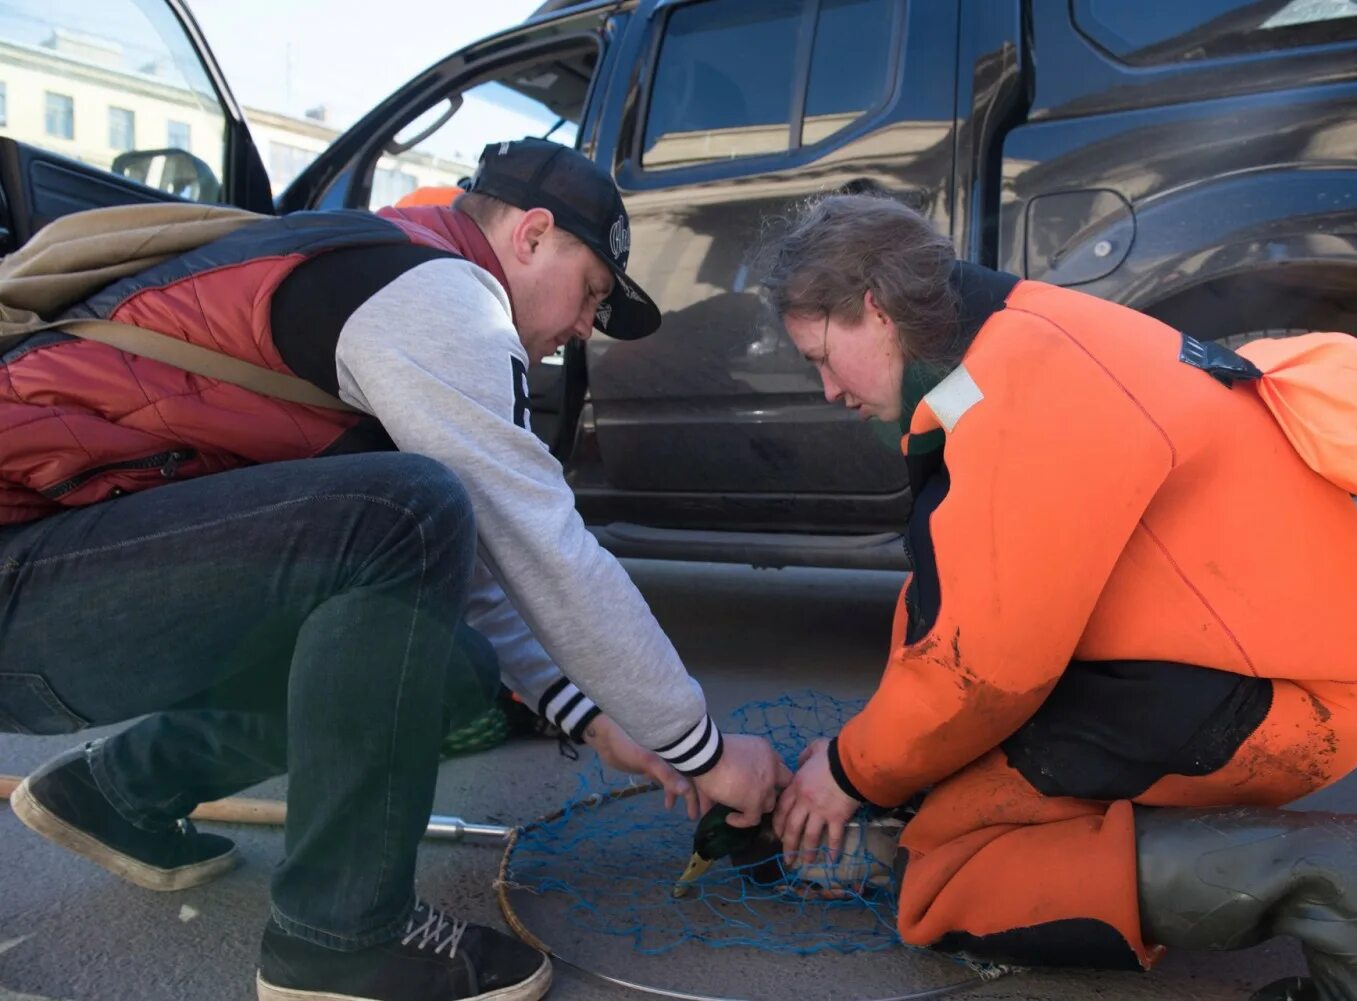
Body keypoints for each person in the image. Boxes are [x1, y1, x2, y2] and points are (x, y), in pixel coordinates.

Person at [0, 137, 787, 1001]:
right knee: (404, 508)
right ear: (529, 236)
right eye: (590, 292)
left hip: (68, 577)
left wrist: (593, 716)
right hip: (24, 586)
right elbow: (539, 541)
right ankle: (341, 939)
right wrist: (705, 751)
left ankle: (120, 789)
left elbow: (480, 560)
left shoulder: (393, 261)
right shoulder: (443, 294)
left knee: (452, 659)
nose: (577, 332)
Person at [765, 193, 1357, 1001]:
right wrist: (882, 760)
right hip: (1252, 655)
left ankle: (1341, 881)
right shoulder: (1012, 337)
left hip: (1287, 693)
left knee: (947, 873)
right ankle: (1298, 868)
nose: (826, 389)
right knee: (946, 799)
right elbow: (957, 601)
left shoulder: (1025, 382)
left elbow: (984, 674)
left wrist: (853, 774)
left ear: (876, 308)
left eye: (822, 355)